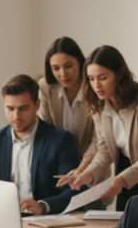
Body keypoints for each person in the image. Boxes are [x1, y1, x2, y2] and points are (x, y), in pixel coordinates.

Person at [58, 45, 138, 211]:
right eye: (91, 79)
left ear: (120, 74)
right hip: (122, 171)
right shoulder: (99, 105)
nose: (96, 85)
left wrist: (122, 179)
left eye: (102, 77)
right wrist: (88, 174)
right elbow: (104, 150)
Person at [0, 74, 80, 228]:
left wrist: (42, 205)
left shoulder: (60, 140)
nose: (16, 116)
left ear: (37, 105)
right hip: (4, 226)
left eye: (23, 108)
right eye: (10, 108)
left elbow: (74, 191)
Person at [38, 37, 110, 205]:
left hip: (93, 171)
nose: (62, 74)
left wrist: (82, 168)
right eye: (56, 68)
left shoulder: (94, 86)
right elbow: (48, 131)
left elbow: (98, 139)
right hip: (60, 175)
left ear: (80, 62)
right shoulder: (46, 87)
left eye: (68, 66)